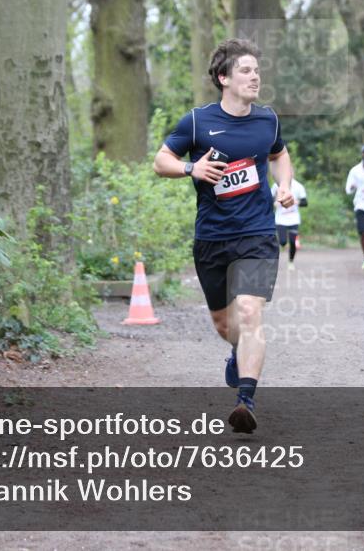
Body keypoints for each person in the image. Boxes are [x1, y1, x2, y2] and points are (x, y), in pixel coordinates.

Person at [153, 38, 294, 434]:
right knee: (224, 324)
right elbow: (160, 160)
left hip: (257, 234)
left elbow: (279, 154)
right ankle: (236, 352)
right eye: (246, 71)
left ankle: (245, 400)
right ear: (223, 78)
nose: (255, 77)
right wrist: (190, 170)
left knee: (250, 312)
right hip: (212, 238)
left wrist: (285, 185)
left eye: (256, 71)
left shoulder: (267, 120)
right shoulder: (197, 122)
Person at [271, 177, 308, 271]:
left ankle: (291, 262)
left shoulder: (298, 186)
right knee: (282, 242)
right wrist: (274, 203)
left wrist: (295, 202)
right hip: (281, 219)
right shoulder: (276, 185)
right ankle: (283, 245)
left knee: (292, 242)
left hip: (293, 219)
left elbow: (305, 202)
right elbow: (270, 199)